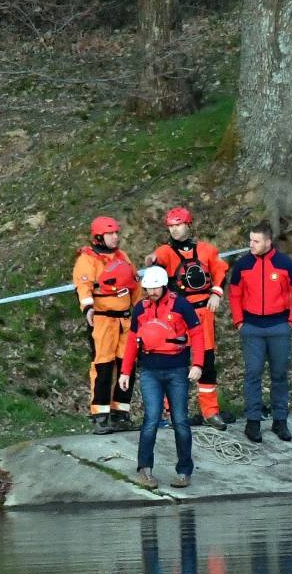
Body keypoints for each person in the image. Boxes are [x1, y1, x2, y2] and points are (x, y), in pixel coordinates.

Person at [118, 266, 206, 489]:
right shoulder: (141, 308)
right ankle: (144, 470)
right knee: (151, 421)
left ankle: (184, 470)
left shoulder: (181, 305)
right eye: (148, 288)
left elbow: (197, 333)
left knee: (180, 422)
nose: (152, 292)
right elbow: (131, 340)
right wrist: (125, 371)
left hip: (177, 370)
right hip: (150, 371)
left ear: (164, 285)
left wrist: (198, 364)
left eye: (155, 287)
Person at [147, 206, 230, 430]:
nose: (174, 230)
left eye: (178, 225)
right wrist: (153, 259)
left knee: (207, 363)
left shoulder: (206, 250)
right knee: (176, 363)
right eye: (171, 226)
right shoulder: (166, 251)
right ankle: (172, 412)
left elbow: (221, 270)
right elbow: (158, 258)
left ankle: (210, 412)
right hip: (179, 316)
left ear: (188, 225)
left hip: (204, 312)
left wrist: (216, 293)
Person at [227, 220, 292, 443]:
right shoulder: (243, 265)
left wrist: (291, 322)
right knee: (253, 374)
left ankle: (280, 421)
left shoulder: (284, 263)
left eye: (256, 241)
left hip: (279, 327)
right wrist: (239, 321)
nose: (251, 244)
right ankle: (253, 422)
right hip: (252, 328)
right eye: (250, 240)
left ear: (268, 242)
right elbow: (234, 294)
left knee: (279, 374)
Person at [72, 215, 141, 433]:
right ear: (99, 236)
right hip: (102, 321)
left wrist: (141, 310)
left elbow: (134, 285)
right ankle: (100, 415)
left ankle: (121, 413)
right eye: (111, 233)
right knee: (102, 367)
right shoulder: (88, 260)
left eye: (116, 233)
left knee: (126, 366)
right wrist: (88, 307)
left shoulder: (122, 257)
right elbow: (83, 286)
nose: (115, 237)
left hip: (125, 320)